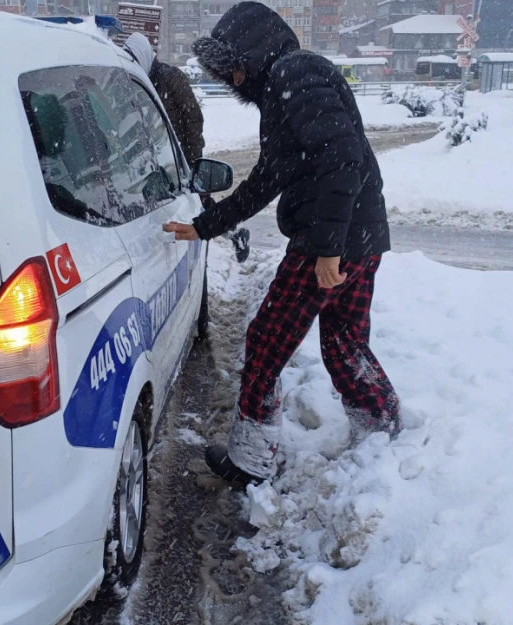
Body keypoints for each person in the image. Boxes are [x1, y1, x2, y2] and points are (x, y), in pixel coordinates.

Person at [162, 2, 400, 483]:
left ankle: (252, 460)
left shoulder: (298, 75)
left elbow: (341, 160)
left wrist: (330, 249)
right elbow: (266, 179)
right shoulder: (284, 87)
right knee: (344, 342)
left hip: (327, 242)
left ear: (253, 52)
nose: (232, 79)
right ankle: (382, 430)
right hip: (358, 234)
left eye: (233, 67)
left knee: (266, 343)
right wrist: (206, 225)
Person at [123, 33, 250, 263]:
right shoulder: (139, 81)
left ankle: (234, 233)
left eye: (134, 57)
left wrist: (191, 158)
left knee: (202, 202)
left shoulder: (171, 77)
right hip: (162, 157)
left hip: (183, 156)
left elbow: (193, 118)